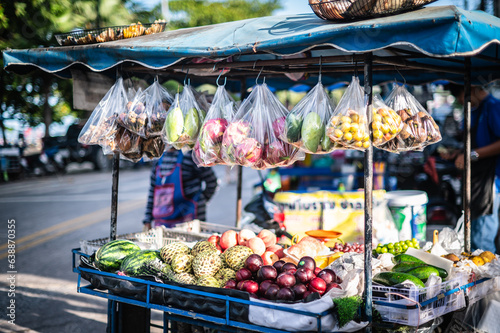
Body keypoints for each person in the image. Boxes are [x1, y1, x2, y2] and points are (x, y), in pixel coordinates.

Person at [442, 84, 500, 253]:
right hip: (476, 180)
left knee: (482, 241)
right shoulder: (476, 110)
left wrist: (471, 155)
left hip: (491, 181)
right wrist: (458, 153)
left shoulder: (493, 106)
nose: (461, 101)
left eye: (460, 95)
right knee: (473, 237)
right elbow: (475, 143)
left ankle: (489, 278)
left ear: (473, 88)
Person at [143, 148, 218, 230]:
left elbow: (212, 181)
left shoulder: (191, 156)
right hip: (164, 223)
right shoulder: (158, 159)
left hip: (190, 221)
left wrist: (200, 201)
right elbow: (152, 192)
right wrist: (147, 220)